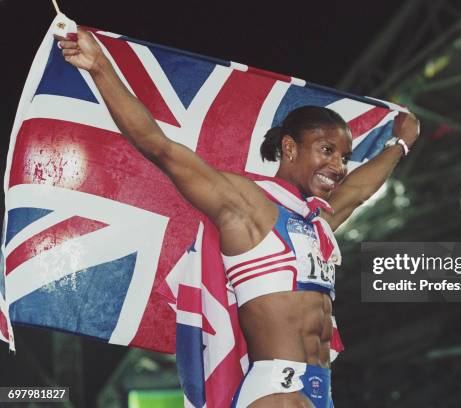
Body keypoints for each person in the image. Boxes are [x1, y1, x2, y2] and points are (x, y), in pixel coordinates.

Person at [56, 28, 420, 407]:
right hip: (277, 392)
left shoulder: (316, 224)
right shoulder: (247, 206)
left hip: (318, 391)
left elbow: (358, 191)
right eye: (327, 150)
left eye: (344, 156)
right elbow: (160, 148)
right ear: (289, 148)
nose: (338, 165)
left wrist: (401, 143)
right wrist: (99, 66)